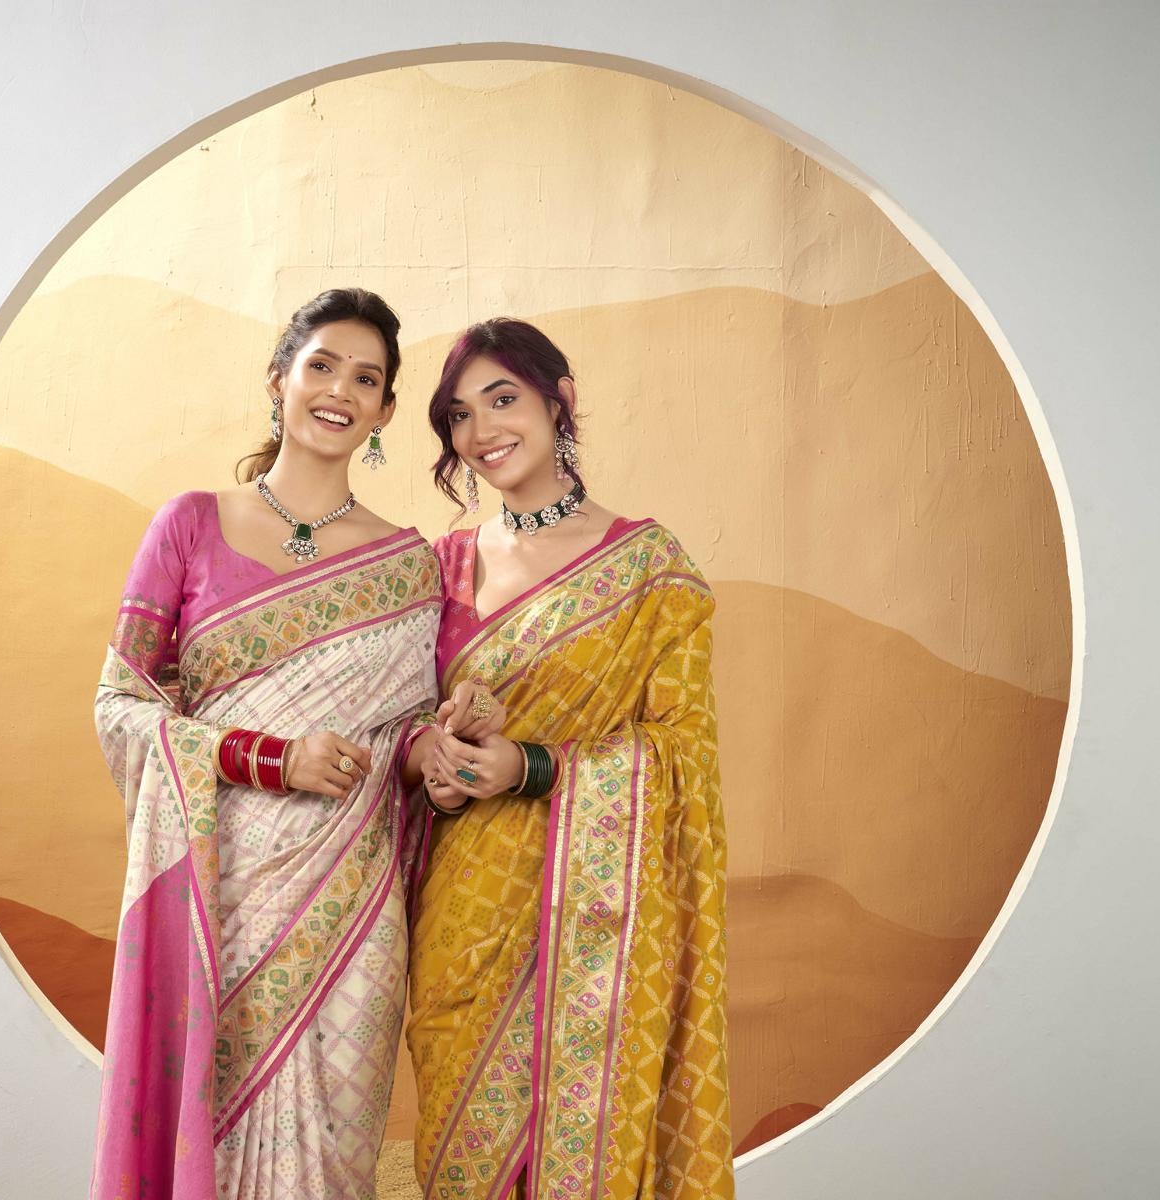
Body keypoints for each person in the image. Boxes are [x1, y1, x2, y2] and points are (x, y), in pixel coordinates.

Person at [90, 288, 495, 1199]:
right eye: (322, 366)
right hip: (224, 895)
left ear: (386, 411)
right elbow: (121, 705)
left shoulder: (406, 563)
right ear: (279, 379)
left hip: (351, 915)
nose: (340, 391)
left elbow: (397, 740)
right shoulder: (189, 525)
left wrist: (439, 747)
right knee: (215, 1134)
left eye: (367, 379)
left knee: (337, 1160)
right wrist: (270, 759)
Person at [407, 318, 735, 1199]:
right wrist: (436, 764)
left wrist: (533, 767)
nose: (482, 431)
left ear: (561, 401)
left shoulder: (649, 571)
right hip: (463, 922)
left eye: (502, 399)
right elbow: (400, 735)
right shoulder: (439, 567)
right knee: (463, 1164)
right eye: (459, 415)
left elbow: (683, 755)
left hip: (599, 925)